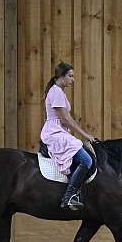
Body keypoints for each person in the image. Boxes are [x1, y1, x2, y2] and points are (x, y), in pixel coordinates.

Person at [40, 62, 96, 210]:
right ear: (61, 76)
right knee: (87, 160)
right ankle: (69, 196)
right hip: (55, 132)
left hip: (60, 131)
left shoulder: (58, 92)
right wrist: (85, 135)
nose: (73, 80)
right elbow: (65, 119)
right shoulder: (56, 92)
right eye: (70, 76)